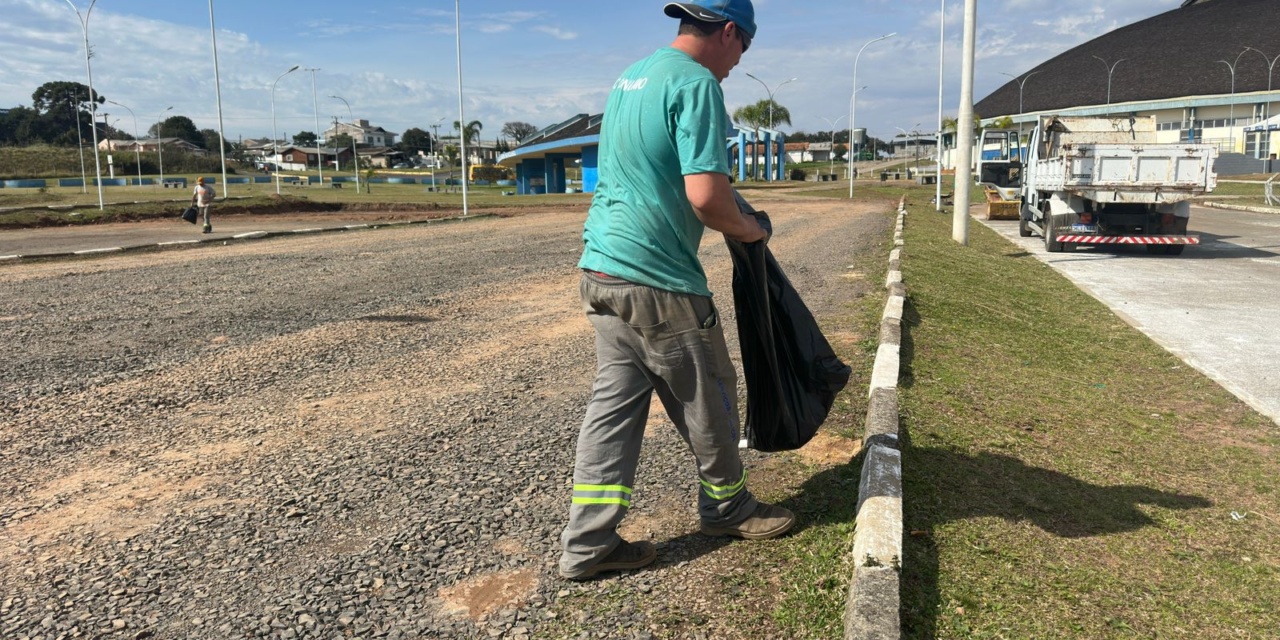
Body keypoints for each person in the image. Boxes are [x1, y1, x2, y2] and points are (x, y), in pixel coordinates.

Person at [559, 0, 794, 582]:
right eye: (744, 49)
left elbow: (649, 169)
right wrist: (751, 229)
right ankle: (728, 507)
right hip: (657, 278)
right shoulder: (696, 85)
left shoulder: (632, 76)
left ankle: (588, 544)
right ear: (731, 32)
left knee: (613, 409)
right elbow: (706, 197)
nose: (738, 64)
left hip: (603, 271)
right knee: (709, 391)